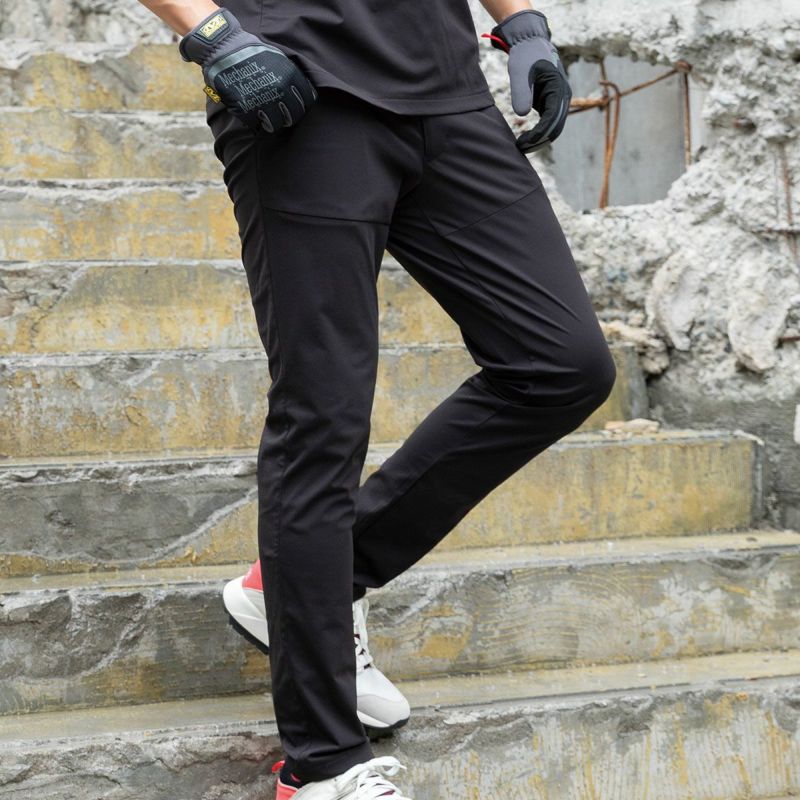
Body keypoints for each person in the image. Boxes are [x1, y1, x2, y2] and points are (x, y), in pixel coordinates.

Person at [136, 0, 617, 797]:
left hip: (446, 89)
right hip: (299, 88)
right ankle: (321, 765)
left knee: (562, 364)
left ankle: (305, 587)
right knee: (323, 415)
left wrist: (523, 23)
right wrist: (211, 34)